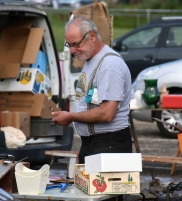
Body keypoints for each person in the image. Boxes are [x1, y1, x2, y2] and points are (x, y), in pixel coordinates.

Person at [51, 17, 133, 164]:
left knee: (105, 188)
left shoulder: (109, 65)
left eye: (76, 44)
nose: (72, 50)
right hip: (95, 144)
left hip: (109, 146)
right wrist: (85, 146)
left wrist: (71, 117)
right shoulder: (91, 60)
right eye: (69, 45)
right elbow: (89, 101)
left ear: (92, 36)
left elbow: (107, 113)